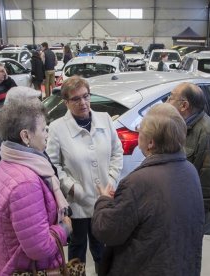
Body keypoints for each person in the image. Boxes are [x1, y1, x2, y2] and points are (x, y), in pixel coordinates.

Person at [91, 103, 204, 276]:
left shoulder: (137, 182)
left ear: (150, 142)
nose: (138, 133)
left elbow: (106, 231)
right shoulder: (190, 170)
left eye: (140, 130)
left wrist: (104, 200)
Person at [46, 76, 123, 273]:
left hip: (104, 200)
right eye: (76, 99)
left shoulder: (105, 119)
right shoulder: (57, 129)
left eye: (86, 96)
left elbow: (117, 152)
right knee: (77, 250)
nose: (83, 103)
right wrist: (72, 187)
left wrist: (112, 179)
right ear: (66, 102)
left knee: (102, 249)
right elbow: (52, 165)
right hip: (77, 204)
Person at [0, 97, 72, 275]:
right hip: (26, 267)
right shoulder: (26, 182)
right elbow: (39, 248)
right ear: (25, 135)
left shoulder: (6, 162)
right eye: (43, 129)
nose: (46, 134)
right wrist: (64, 228)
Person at [167, 82, 210, 235]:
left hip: (189, 218)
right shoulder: (183, 125)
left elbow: (209, 189)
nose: (166, 102)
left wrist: (191, 221)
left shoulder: (206, 134)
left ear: (184, 105)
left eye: (170, 98)